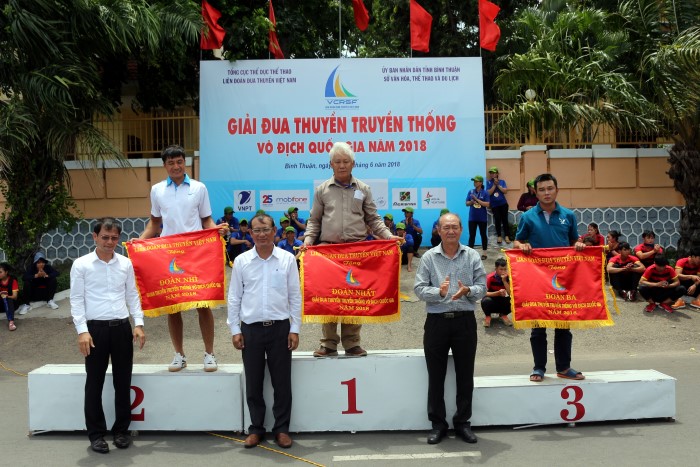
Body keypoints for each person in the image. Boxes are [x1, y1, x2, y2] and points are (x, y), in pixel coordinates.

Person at [304, 141, 400, 358]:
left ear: (353, 163)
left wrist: (388, 236)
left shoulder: (363, 189)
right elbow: (314, 220)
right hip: (328, 253)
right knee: (329, 299)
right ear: (330, 164)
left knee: (352, 297)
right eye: (337, 161)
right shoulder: (322, 190)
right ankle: (328, 344)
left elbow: (373, 219)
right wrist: (308, 240)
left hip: (356, 252)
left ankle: (352, 343)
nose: (341, 165)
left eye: (345, 161)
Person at [139, 145, 228, 372]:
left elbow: (206, 220)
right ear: (165, 165)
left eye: (179, 161)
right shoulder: (157, 190)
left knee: (203, 304)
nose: (176, 166)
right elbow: (154, 224)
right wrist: (138, 243)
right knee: (173, 307)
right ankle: (179, 354)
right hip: (168, 254)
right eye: (171, 163)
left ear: (184, 163)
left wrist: (215, 229)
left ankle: (209, 354)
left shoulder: (199, 188)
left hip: (195, 253)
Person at [70, 217, 145, 454]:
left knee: (123, 382)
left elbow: (132, 294)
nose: (109, 242)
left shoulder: (125, 264)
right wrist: (82, 331)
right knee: (94, 382)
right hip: (95, 331)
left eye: (114, 238)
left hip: (122, 328)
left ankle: (121, 431)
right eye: (105, 237)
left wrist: (138, 323)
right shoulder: (81, 264)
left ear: (118, 238)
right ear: (95, 236)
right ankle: (96, 434)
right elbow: (76, 300)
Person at [228, 214, 301, 449]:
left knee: (282, 382)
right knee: (254, 382)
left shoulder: (287, 259)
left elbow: (295, 296)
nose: (261, 234)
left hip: (280, 328)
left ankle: (282, 429)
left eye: (266, 229)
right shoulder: (241, 261)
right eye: (256, 230)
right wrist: (235, 329)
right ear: (250, 233)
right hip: (251, 330)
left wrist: (295, 328)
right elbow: (234, 297)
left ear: (274, 231)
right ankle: (256, 428)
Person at [414, 212, 485, 445]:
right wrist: (439, 292)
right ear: (438, 230)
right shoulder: (429, 257)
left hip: (465, 321)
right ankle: (438, 424)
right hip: (437, 322)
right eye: (446, 227)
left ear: (461, 229)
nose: (451, 231)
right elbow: (419, 289)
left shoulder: (472, 255)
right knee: (436, 376)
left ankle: (463, 422)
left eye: (455, 227)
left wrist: (469, 291)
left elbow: (482, 287)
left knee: (465, 375)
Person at [513, 173, 586, 383]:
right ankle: (539, 368)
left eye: (550, 188)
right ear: (535, 192)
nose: (546, 193)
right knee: (538, 327)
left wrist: (578, 244)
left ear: (557, 190)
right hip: (537, 278)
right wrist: (523, 246)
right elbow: (517, 241)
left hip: (561, 278)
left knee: (563, 326)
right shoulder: (527, 217)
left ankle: (564, 367)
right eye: (542, 189)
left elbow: (574, 240)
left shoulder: (568, 215)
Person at [481, 258, 513, 327]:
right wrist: (497, 293)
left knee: (513, 300)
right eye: (501, 269)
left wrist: (504, 281)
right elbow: (483, 293)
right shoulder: (490, 278)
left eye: (505, 269)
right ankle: (488, 316)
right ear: (496, 269)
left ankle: (503, 314)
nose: (503, 271)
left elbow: (510, 293)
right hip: (491, 299)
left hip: (502, 299)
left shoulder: (508, 278)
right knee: (485, 301)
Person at [465, 175, 490, 260]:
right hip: (472, 217)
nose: (474, 183)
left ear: (481, 183)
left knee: (483, 235)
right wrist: (471, 202)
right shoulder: (471, 191)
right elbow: (467, 203)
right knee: (472, 235)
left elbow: (487, 204)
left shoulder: (485, 193)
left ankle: (484, 253)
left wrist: (477, 199)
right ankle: (470, 253)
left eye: (476, 181)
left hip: (482, 218)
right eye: (474, 181)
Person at [486, 167, 510, 244]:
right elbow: (488, 193)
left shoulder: (502, 181)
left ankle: (507, 236)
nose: (492, 174)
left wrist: (498, 185)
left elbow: (505, 191)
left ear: (497, 174)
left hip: (503, 203)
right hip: (494, 205)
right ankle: (499, 236)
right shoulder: (488, 182)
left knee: (505, 220)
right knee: (497, 219)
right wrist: (494, 185)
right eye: (491, 173)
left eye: (494, 173)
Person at [0, 262, 19, 331]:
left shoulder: (13, 281)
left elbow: (15, 297)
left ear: (6, 272)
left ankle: (11, 322)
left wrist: (6, 296)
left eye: (0, 272)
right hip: (2, 304)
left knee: (8, 300)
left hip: (12, 304)